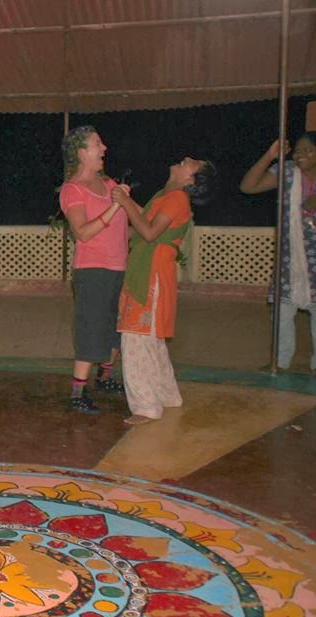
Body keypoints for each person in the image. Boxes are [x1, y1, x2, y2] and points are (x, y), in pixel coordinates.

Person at [113, 157, 215, 424]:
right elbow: (145, 219)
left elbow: (148, 232)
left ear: (190, 180)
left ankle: (146, 406)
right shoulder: (166, 195)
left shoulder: (178, 199)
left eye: (193, 164)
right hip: (151, 270)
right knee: (151, 340)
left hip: (152, 273)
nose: (186, 159)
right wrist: (127, 202)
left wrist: (124, 203)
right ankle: (167, 395)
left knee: (136, 338)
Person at [240, 131, 316, 372]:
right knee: (282, 311)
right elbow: (248, 186)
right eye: (297, 150)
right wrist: (270, 156)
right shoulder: (287, 171)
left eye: (308, 150)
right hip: (291, 256)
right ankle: (280, 360)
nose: (300, 155)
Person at [58, 125, 128, 415]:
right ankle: (77, 393)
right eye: (97, 144)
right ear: (82, 152)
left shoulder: (109, 184)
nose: (104, 148)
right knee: (91, 327)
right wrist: (115, 207)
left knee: (115, 324)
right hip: (92, 270)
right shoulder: (72, 190)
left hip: (118, 266)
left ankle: (105, 377)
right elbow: (83, 232)